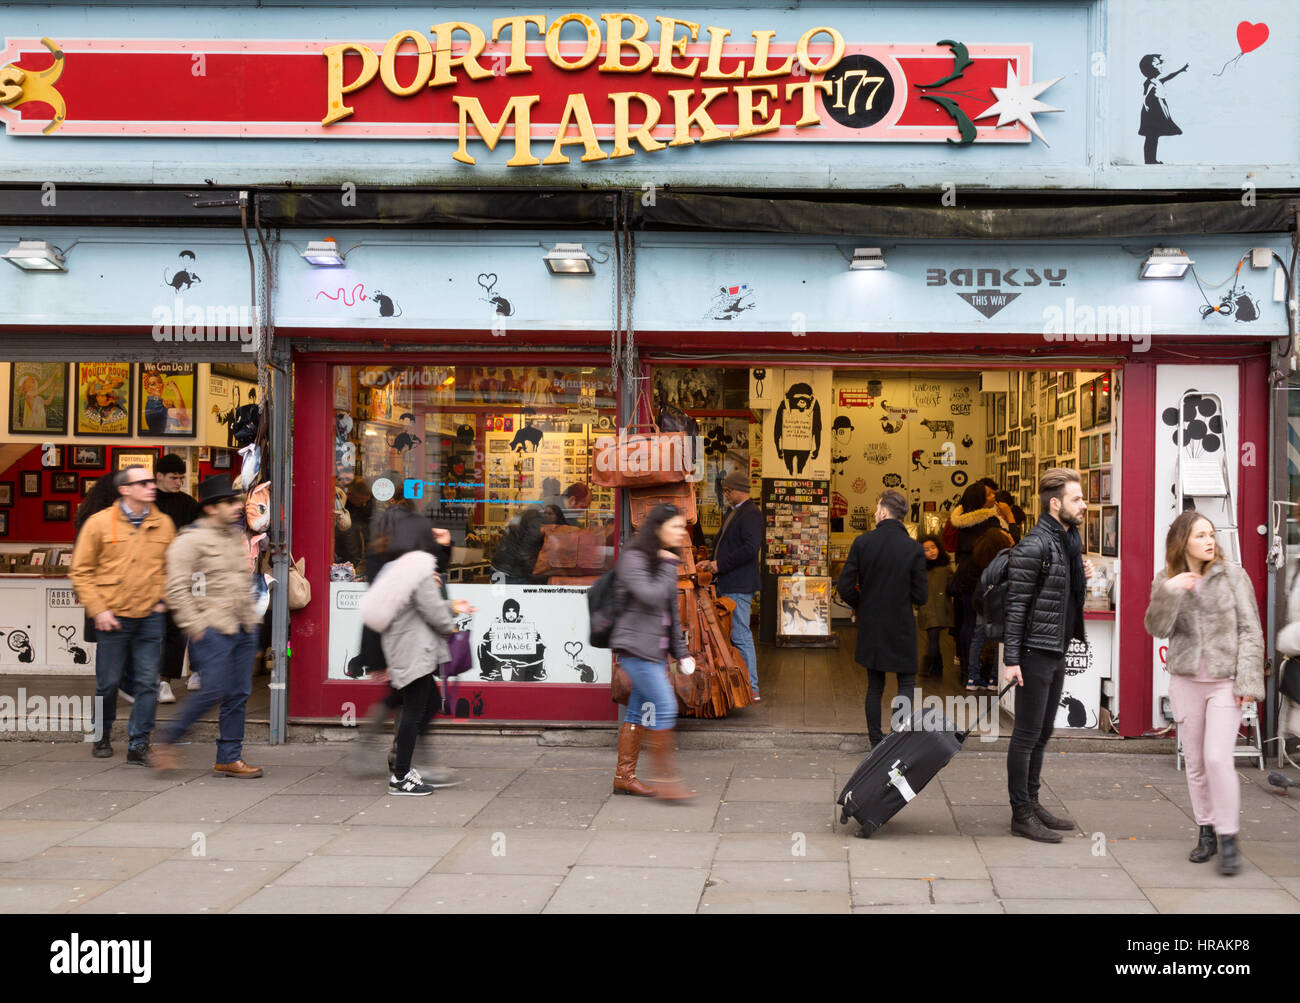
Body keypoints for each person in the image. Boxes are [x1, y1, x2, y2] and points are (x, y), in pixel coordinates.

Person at [1144, 511, 1264, 875]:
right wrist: (1171, 592)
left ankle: (1229, 838)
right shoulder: (1167, 579)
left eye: (1211, 534)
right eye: (1201, 535)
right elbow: (1156, 628)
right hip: (1185, 681)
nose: (1210, 541)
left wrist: (1248, 682)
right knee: (1195, 762)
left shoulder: (1234, 576)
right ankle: (1206, 830)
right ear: (1183, 542)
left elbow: (1251, 631)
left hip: (1226, 682)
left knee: (1217, 758)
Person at [151, 475, 265, 777]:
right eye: (229, 502)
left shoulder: (232, 536)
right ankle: (168, 738)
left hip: (242, 627)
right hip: (212, 628)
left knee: (238, 694)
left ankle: (229, 756)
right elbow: (176, 588)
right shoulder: (189, 540)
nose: (236, 506)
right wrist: (196, 625)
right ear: (212, 508)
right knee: (212, 690)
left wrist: (252, 622)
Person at [1003, 469, 1093, 843]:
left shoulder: (1067, 542)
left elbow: (1063, 599)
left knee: (1043, 732)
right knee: (1025, 735)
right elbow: (1016, 606)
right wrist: (1011, 660)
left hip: (1055, 649)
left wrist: (1081, 574)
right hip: (1034, 652)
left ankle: (1033, 802)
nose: (1084, 504)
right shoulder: (1035, 544)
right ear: (1055, 504)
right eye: (1076, 499)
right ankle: (1021, 813)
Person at [359, 512, 475, 795]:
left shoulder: (398, 567)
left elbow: (420, 607)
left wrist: (452, 607)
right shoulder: (419, 570)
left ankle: (404, 767)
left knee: (426, 703)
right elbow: (432, 611)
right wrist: (450, 624)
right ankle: (401, 776)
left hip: (402, 647)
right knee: (414, 711)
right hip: (414, 650)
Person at [69, 465, 175, 763]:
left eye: (152, 481)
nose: (151, 486)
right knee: (109, 681)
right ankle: (101, 735)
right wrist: (98, 609)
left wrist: (163, 600)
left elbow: (173, 567)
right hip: (112, 615)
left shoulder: (163, 524)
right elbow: (81, 571)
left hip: (150, 616)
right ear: (125, 489)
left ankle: (138, 743)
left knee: (147, 682)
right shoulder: (99, 523)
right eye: (142, 483)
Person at [610, 503, 695, 801]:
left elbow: (669, 611)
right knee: (666, 706)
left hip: (654, 653)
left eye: (682, 527)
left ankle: (624, 776)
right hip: (636, 650)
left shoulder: (662, 561)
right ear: (658, 528)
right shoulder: (635, 557)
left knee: (636, 712)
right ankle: (667, 782)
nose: (681, 533)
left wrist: (681, 652)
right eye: (675, 527)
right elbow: (650, 595)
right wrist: (668, 566)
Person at [836, 489, 928, 748]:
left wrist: (862, 604)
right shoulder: (913, 549)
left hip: (872, 624)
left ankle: (876, 741)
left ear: (884, 512)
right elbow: (922, 596)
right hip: (901, 625)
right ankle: (897, 740)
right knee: (906, 683)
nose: (875, 513)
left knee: (874, 685)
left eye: (877, 509)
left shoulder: (863, 543)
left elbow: (844, 586)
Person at [697, 470, 763, 699]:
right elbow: (731, 545)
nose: (725, 494)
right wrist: (711, 562)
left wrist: (719, 564)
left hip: (738, 584)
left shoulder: (751, 514)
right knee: (735, 633)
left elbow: (750, 548)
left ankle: (751, 686)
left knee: (741, 634)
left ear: (737, 490)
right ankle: (743, 683)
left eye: (727, 491)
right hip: (731, 581)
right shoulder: (735, 512)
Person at [153, 453, 203, 703]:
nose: (178, 482)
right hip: (149, 576)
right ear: (159, 476)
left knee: (176, 631)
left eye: (182, 478)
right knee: (148, 631)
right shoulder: (146, 502)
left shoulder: (189, 504)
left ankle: (164, 681)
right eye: (174, 477)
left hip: (181, 576)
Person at [950, 481, 1008, 682]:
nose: (994, 497)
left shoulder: (960, 521)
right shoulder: (989, 522)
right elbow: (1007, 544)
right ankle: (984, 669)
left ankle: (967, 670)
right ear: (980, 499)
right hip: (984, 576)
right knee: (984, 625)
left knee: (967, 623)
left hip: (964, 576)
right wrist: (1008, 519)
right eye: (990, 495)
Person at [962, 525, 1016, 691]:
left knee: (978, 639)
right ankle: (994, 678)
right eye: (1005, 534)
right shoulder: (1007, 557)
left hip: (983, 603)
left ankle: (973, 677)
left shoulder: (981, 556)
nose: (1009, 535)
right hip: (1000, 605)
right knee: (1002, 640)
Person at [916, 534, 954, 680]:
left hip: (941, 607)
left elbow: (952, 585)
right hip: (927, 607)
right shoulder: (919, 569)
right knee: (933, 637)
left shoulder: (945, 568)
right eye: (926, 549)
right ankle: (936, 667)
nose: (931, 551)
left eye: (933, 547)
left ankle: (928, 666)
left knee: (934, 637)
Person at [1139, 53, 1188, 165]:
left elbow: (1169, 76)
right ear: (1150, 68)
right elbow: (1145, 96)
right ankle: (1150, 160)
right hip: (1151, 114)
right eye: (1157, 64)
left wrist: (1181, 70)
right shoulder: (1150, 82)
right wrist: (1147, 104)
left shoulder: (1157, 81)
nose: (1161, 65)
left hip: (1155, 112)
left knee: (1153, 137)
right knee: (1151, 137)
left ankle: (1151, 160)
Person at [490, 507, 548, 584]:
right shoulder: (536, 522)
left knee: (502, 596)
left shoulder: (521, 520)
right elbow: (525, 554)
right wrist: (539, 576)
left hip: (499, 569)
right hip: (511, 573)